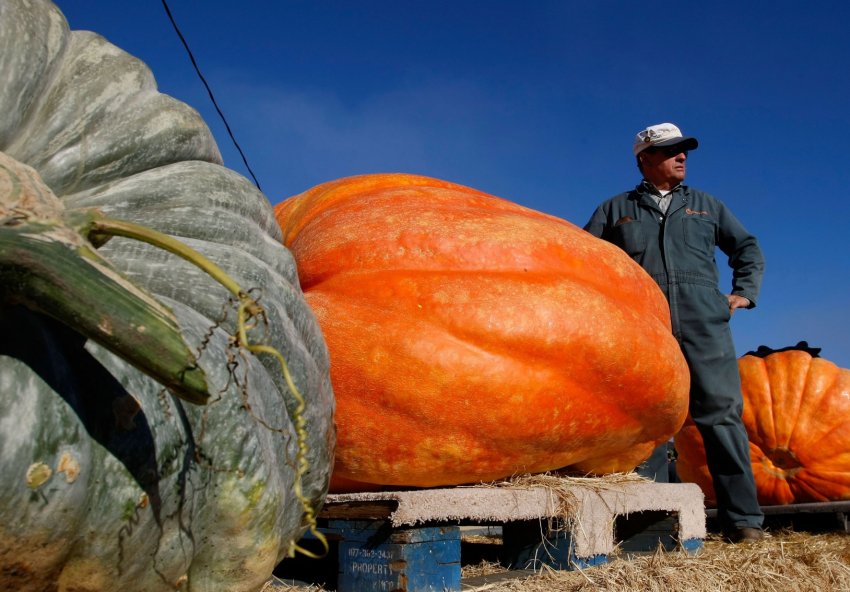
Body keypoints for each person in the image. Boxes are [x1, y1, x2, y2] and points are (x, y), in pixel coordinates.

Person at [584, 123, 765, 543]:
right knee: (646, 420)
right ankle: (645, 520)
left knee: (721, 416)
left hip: (704, 322)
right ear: (645, 160)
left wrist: (743, 294)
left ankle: (744, 521)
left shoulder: (706, 205)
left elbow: (747, 247)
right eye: (670, 151)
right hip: (646, 326)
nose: (682, 156)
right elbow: (586, 259)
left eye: (684, 150)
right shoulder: (615, 210)